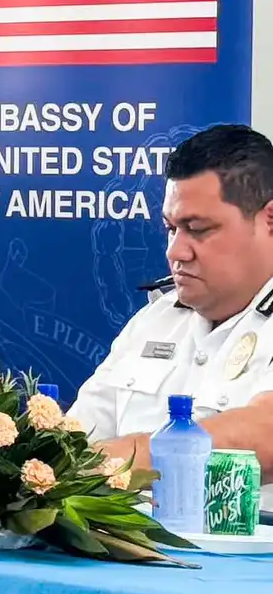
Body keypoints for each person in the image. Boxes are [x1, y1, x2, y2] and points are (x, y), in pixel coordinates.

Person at [69, 124, 273, 491]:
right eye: (171, 229)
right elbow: (75, 438)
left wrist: (110, 463)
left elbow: (265, 435)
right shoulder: (156, 319)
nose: (175, 251)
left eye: (198, 229)